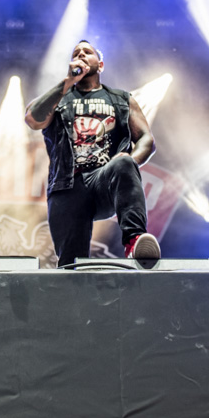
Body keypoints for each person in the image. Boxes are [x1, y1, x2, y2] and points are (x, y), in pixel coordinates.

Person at [25, 40, 159, 266]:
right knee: (71, 264)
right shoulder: (59, 99)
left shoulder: (121, 99)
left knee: (123, 163)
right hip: (67, 186)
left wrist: (131, 160)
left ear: (101, 64)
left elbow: (147, 139)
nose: (81, 55)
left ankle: (134, 240)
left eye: (87, 52)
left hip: (104, 180)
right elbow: (32, 119)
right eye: (76, 53)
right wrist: (68, 82)